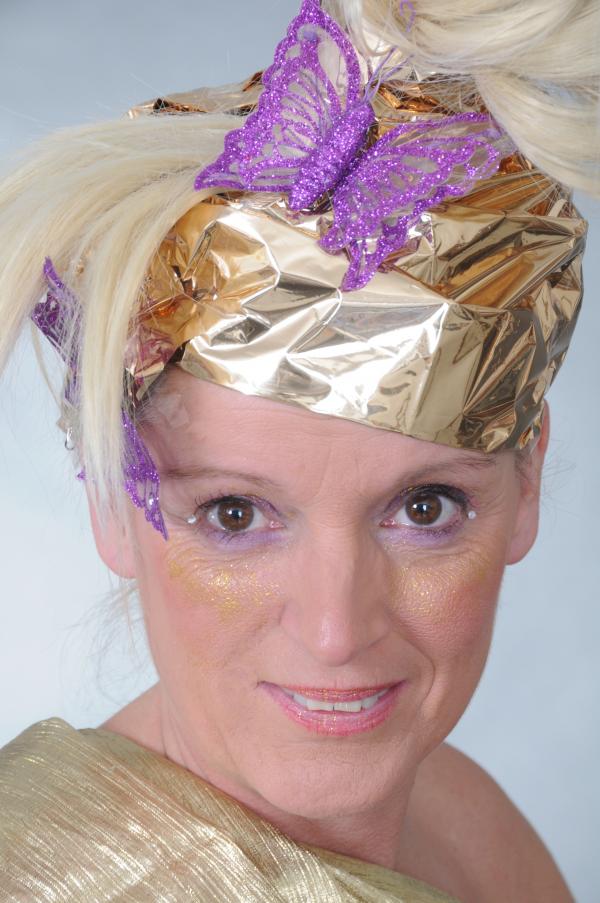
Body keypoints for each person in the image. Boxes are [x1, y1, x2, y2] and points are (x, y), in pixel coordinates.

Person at [0, 0, 597, 900]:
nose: (336, 631)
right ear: (112, 504)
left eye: (425, 508)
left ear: (528, 481)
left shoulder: (464, 822)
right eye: (235, 513)